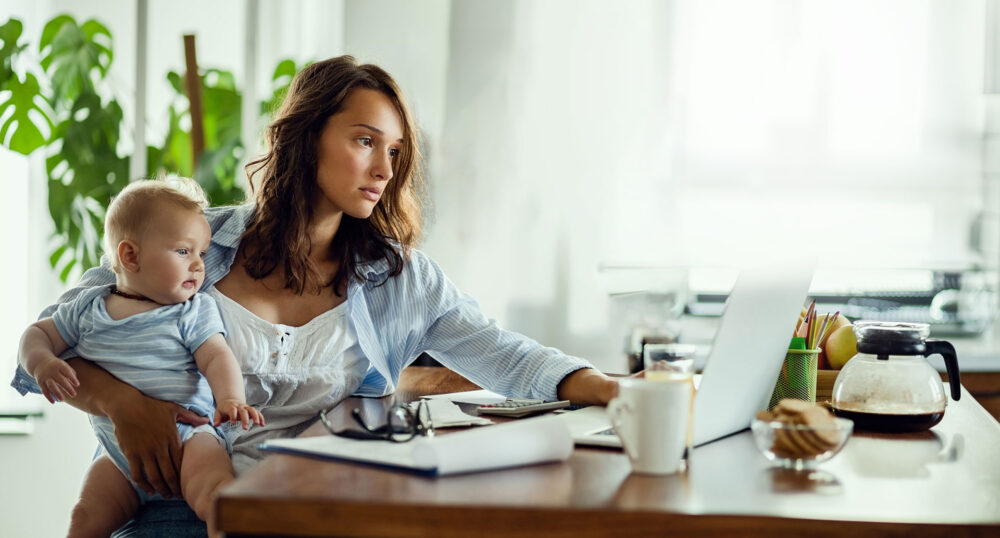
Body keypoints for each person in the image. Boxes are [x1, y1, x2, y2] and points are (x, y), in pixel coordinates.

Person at [11, 55, 618, 535]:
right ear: (307, 136)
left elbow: (507, 358)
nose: (383, 168)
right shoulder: (194, 241)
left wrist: (617, 393)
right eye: (364, 141)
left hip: (313, 512)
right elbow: (45, 347)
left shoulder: (403, 280)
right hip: (165, 509)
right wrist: (121, 402)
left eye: (395, 151)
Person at [17, 179, 264, 536]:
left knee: (217, 500)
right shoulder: (88, 308)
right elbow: (36, 334)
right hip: (117, 454)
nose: (198, 266)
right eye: (183, 252)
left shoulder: (192, 310)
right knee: (84, 518)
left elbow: (216, 357)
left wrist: (230, 399)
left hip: (191, 439)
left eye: (202, 254)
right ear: (130, 256)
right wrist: (41, 361)